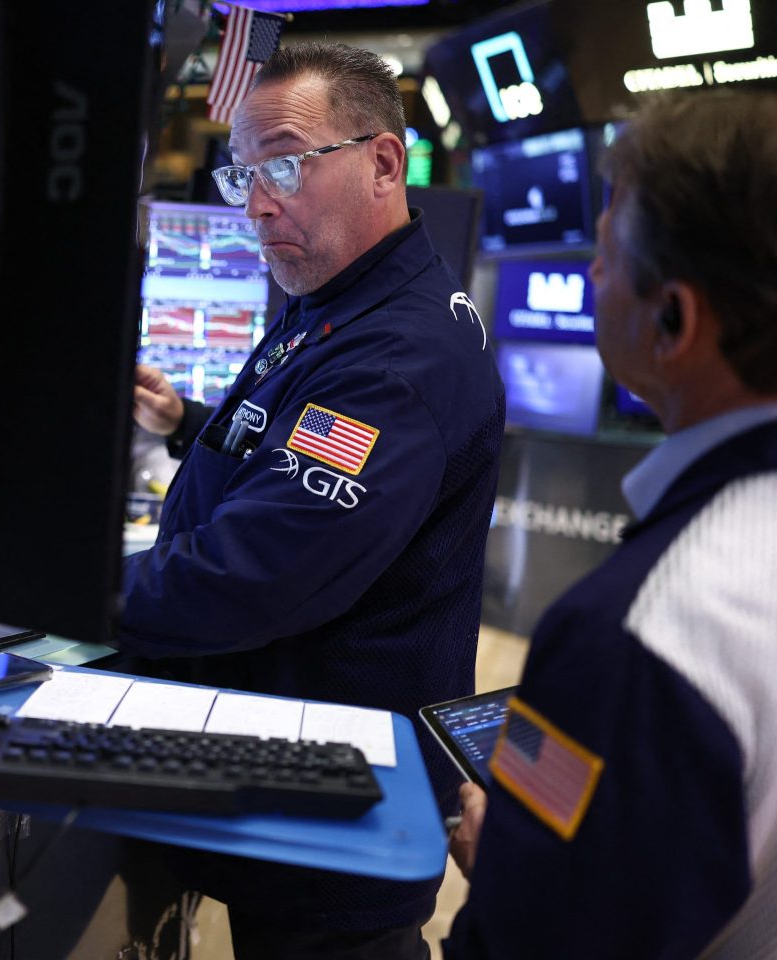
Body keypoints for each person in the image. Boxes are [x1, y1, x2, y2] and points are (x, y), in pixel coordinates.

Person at [118, 42, 505, 958]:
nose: (256, 202)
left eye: (284, 164)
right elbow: (287, 441)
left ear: (382, 161)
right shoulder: (340, 301)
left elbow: (258, 574)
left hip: (334, 819)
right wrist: (188, 421)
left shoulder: (395, 355)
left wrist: (58, 590)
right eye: (244, 173)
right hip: (295, 775)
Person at [444, 90, 777, 959]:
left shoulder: (638, 635)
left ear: (676, 318)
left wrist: (512, 867)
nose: (593, 280)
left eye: (604, 256)